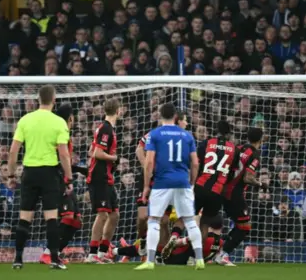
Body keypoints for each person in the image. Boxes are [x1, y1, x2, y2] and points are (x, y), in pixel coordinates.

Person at [9, 85, 73, 270]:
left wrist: (12, 173)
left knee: (25, 217)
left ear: (38, 99)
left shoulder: (26, 119)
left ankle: (18, 259)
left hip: (29, 172)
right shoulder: (58, 122)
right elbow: (64, 154)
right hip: (49, 173)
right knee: (51, 217)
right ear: (54, 100)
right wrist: (68, 177)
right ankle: (54, 258)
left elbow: (13, 150)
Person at [135, 103, 204, 271]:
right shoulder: (187, 135)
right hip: (182, 182)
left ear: (160, 115)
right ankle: (200, 259)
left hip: (162, 183)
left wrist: (146, 185)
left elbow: (149, 161)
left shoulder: (154, 134)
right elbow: (195, 163)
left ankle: (150, 261)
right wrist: (192, 182)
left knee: (154, 220)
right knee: (189, 220)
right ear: (176, 117)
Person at [135, 110, 188, 260]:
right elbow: (139, 149)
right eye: (185, 120)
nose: (186, 124)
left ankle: (161, 256)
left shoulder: (184, 138)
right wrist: (147, 167)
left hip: (167, 182)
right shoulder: (155, 134)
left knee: (164, 221)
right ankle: (143, 240)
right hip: (151, 179)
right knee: (143, 216)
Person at [215, 127, 266, 266]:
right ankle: (223, 254)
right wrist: (261, 184)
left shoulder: (238, 148)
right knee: (245, 226)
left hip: (222, 189)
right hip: (235, 193)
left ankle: (219, 250)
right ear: (261, 139)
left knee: (238, 224)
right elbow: (248, 178)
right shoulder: (254, 154)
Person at [39, 103, 83, 265]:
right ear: (70, 118)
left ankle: (53, 252)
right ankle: (49, 253)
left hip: (64, 179)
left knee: (76, 221)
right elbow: (59, 158)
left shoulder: (64, 133)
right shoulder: (59, 132)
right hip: (58, 180)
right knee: (68, 216)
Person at [85, 98, 121, 263]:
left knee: (114, 215)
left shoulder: (107, 128)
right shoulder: (106, 128)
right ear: (118, 111)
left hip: (107, 177)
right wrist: (113, 158)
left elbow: (91, 150)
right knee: (103, 215)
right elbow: (97, 153)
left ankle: (102, 252)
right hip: (99, 177)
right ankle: (92, 254)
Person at [113, 215, 225, 265]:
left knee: (157, 239)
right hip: (186, 260)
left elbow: (175, 244)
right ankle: (118, 251)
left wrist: (179, 240)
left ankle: (115, 251)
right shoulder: (220, 243)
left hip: (173, 259)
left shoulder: (202, 238)